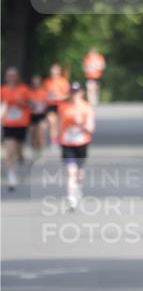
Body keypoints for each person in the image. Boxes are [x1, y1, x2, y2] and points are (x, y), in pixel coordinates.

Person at [58, 81, 95, 210]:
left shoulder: (86, 107)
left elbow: (91, 128)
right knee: (70, 171)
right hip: (67, 142)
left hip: (81, 142)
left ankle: (78, 187)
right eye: (72, 92)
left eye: (77, 92)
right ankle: (71, 198)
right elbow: (59, 124)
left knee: (79, 172)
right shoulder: (63, 107)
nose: (74, 95)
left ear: (81, 93)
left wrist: (82, 124)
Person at [1, 67, 32, 191]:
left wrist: (22, 103)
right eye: (9, 75)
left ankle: (20, 162)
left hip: (21, 124)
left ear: (17, 77)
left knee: (19, 151)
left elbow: (31, 104)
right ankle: (11, 177)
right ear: (6, 77)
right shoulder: (2, 90)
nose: (11, 77)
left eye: (14, 75)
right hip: (8, 124)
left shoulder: (24, 89)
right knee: (9, 151)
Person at [44, 64, 70, 147]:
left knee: (59, 123)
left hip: (61, 104)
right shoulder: (47, 82)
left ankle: (60, 138)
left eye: (56, 71)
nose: (54, 73)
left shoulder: (63, 81)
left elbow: (68, 95)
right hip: (51, 104)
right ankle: (53, 140)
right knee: (51, 122)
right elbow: (43, 93)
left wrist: (60, 96)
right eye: (52, 71)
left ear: (59, 72)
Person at [28, 74, 49, 159]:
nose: (36, 83)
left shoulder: (44, 92)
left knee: (40, 135)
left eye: (37, 82)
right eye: (34, 82)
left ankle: (40, 153)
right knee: (33, 135)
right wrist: (31, 104)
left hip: (42, 115)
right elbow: (27, 104)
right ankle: (34, 152)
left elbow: (47, 105)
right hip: (32, 115)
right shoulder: (29, 92)